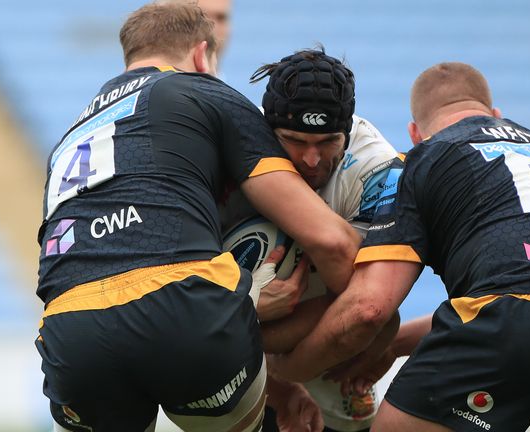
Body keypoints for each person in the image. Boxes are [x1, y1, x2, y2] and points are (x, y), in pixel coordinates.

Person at [269, 62, 530, 432]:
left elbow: (369, 310)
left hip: (517, 320)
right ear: (495, 113)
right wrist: (395, 346)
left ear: (415, 133)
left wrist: (283, 374)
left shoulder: (422, 160)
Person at [35, 3, 358, 431]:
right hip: (183, 310)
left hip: (70, 330)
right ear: (203, 55)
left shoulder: (68, 140)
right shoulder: (205, 92)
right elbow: (332, 240)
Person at [221, 48, 402, 432]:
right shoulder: (229, 155)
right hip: (236, 359)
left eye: (328, 142)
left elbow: (375, 319)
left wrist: (280, 363)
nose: (312, 159)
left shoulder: (379, 173)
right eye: (294, 140)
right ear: (266, 131)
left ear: (347, 132)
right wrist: (247, 307)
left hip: (330, 352)